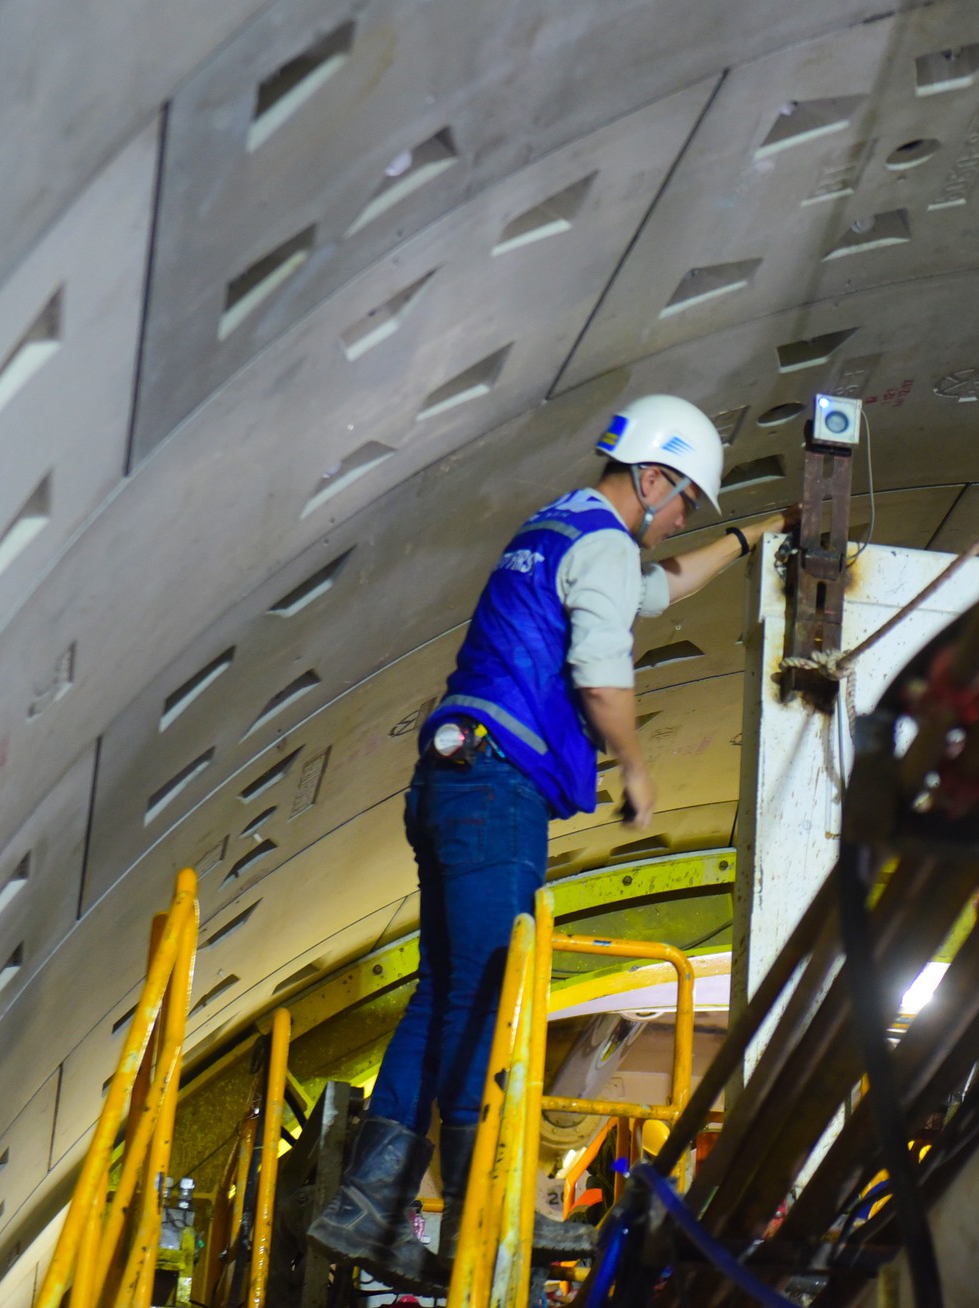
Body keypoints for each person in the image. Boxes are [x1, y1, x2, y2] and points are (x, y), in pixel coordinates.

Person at [308, 394, 791, 1287]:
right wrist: (636, 765)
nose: (683, 515)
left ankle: (370, 1206)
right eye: (684, 496)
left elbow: (664, 585)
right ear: (650, 477)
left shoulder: (559, 529)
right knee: (490, 1001)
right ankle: (481, 1218)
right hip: (498, 794)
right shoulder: (603, 546)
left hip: (451, 783)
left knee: (443, 997)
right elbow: (601, 669)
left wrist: (757, 532)